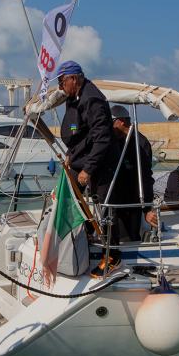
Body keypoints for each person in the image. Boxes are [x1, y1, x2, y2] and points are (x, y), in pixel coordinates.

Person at [56, 61, 118, 275]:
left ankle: (113, 256)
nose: (60, 86)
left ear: (74, 78)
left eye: (62, 81)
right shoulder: (73, 98)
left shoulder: (92, 99)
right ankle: (90, 230)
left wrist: (88, 169)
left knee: (105, 207)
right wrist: (71, 155)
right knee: (69, 196)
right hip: (80, 159)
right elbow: (78, 132)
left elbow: (102, 138)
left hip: (99, 164)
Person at [105, 105, 156, 243]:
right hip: (116, 198)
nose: (110, 127)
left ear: (121, 121)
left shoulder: (140, 142)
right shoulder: (116, 140)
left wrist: (147, 208)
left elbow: (145, 176)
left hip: (132, 201)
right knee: (115, 236)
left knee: (128, 238)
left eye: (112, 122)